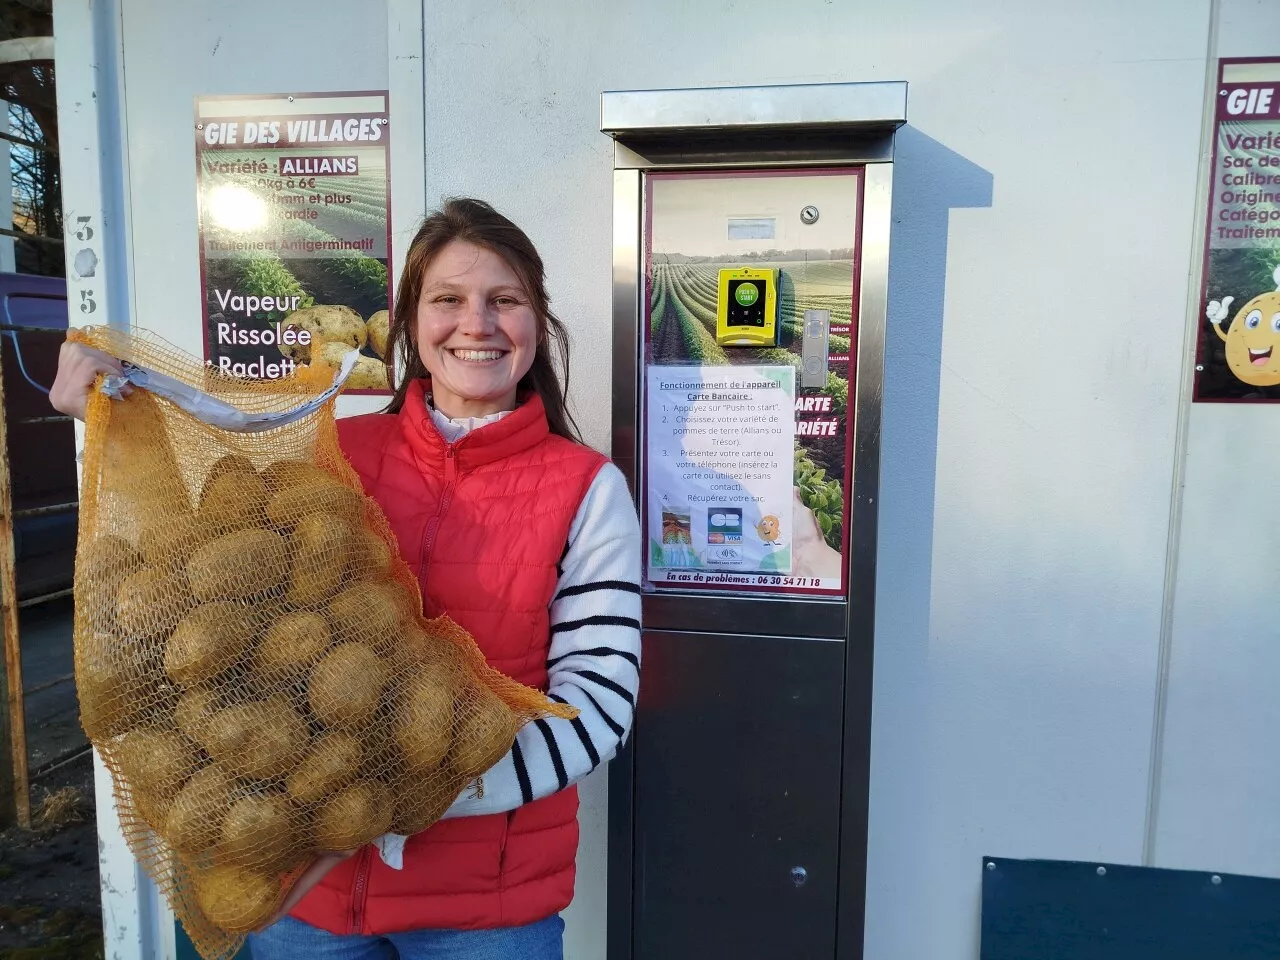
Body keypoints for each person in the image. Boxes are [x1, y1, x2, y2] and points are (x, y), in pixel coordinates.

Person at [50, 197, 643, 959]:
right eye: (449, 300)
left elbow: (596, 709)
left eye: (506, 300)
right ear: (409, 324)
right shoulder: (335, 455)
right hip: (312, 905)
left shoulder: (586, 489)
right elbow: (201, 585)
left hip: (485, 911)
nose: (478, 324)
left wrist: (400, 796)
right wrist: (108, 421)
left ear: (538, 323)